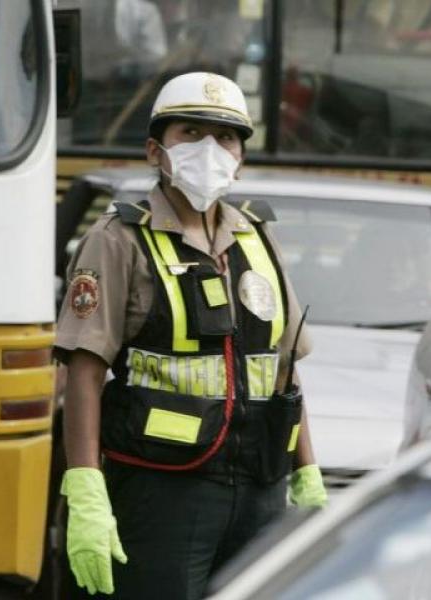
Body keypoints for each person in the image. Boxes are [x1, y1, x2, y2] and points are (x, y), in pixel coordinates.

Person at [54, 72, 328, 599]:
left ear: (240, 159)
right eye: (191, 133)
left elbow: (282, 368)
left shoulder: (256, 236)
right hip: (162, 488)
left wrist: (307, 474)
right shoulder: (119, 239)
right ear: (155, 150)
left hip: (260, 488)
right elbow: (84, 371)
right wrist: (86, 489)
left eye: (225, 138)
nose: (209, 150)